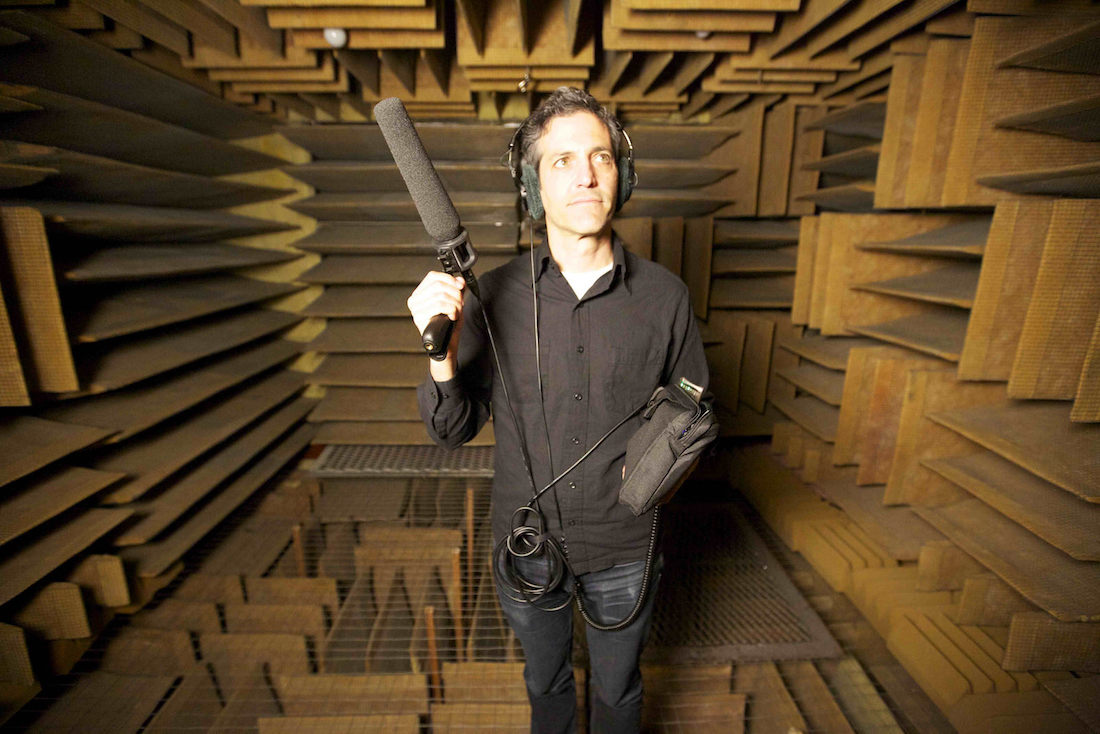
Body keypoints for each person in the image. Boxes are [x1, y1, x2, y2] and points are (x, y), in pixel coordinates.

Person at [408, 87, 709, 734]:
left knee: (620, 693)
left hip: (626, 545)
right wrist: (440, 349)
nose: (585, 174)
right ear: (533, 186)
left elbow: (693, 410)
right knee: (545, 686)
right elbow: (450, 430)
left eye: (600, 156)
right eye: (561, 160)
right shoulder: (492, 296)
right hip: (527, 546)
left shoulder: (665, 298)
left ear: (621, 175)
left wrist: (662, 463)